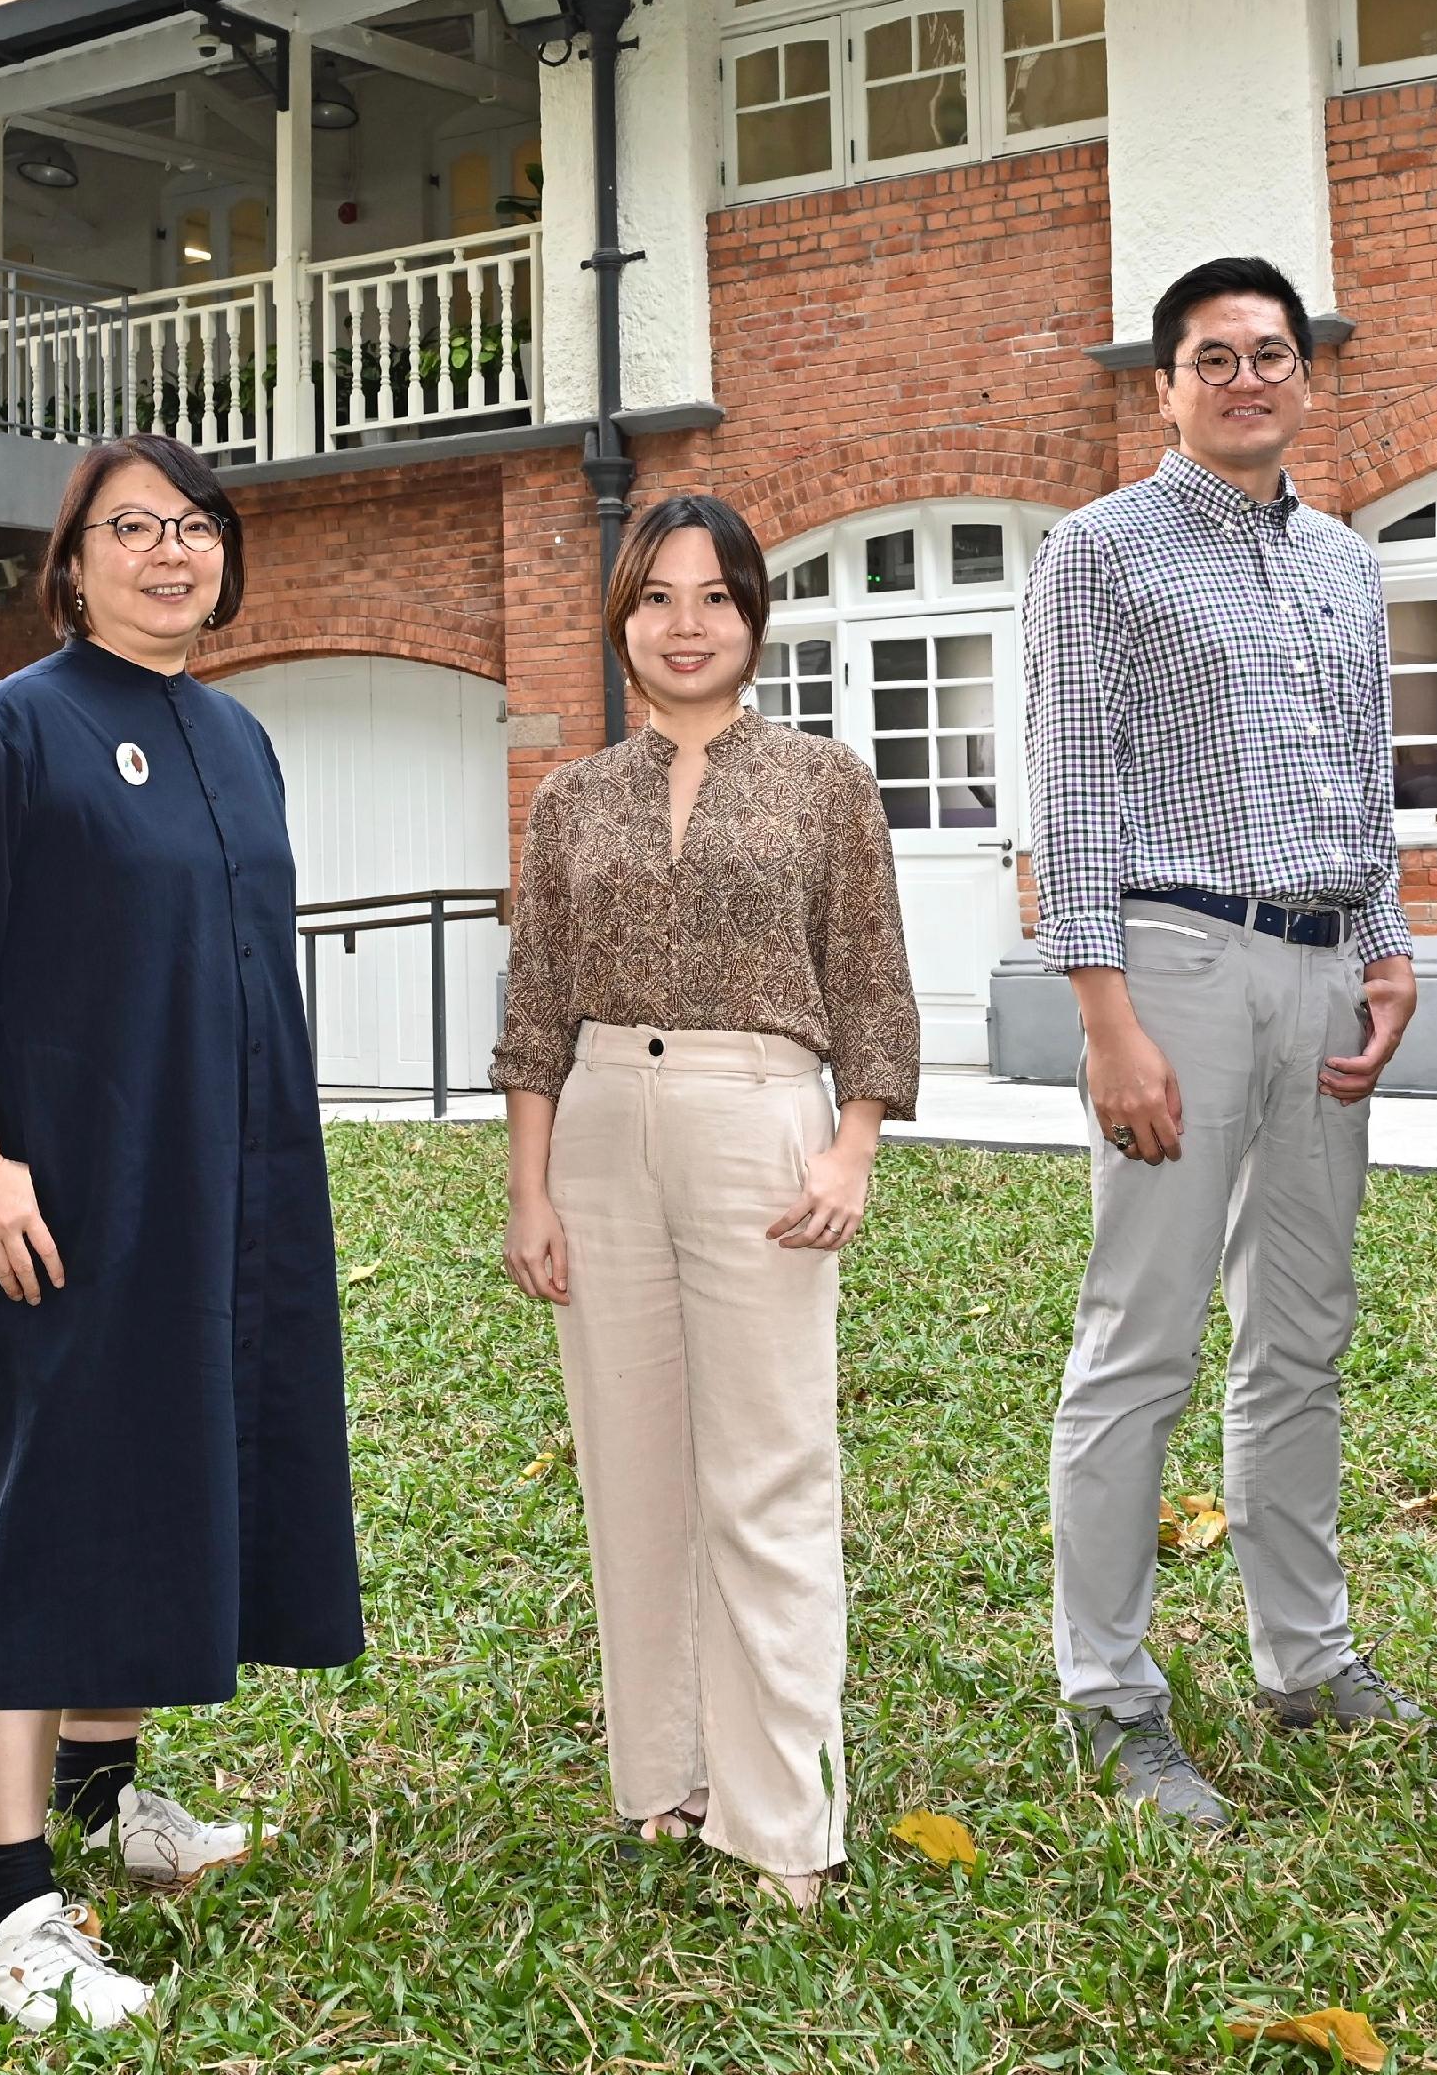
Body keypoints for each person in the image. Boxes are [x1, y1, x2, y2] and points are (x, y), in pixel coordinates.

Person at [0, 432, 365, 2031]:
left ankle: (104, 1793)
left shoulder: (231, 736)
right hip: (65, 1187)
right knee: (45, 1504)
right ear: (71, 562)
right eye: (132, 527)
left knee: (167, 1470)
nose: (171, 551)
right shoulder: (5, 736)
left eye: (196, 526)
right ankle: (7, 1905)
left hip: (223, 1182)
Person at [1023, 256, 1420, 1830]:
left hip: (1329, 970)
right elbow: (1070, 789)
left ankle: (1306, 1655)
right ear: (1167, 387)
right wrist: (1104, 1015)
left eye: (1273, 354)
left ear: (1306, 377)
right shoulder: (1098, 553)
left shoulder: (1342, 562)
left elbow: (1361, 771)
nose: (1248, 377)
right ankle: (1109, 1690)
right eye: (1215, 357)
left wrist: (1387, 942)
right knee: (1145, 1338)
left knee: (1303, 1333)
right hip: (1175, 961)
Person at [492, 492, 921, 1908]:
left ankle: (785, 1817)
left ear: (753, 618)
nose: (687, 625)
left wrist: (850, 1146)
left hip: (761, 1122)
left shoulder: (821, 781)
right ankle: (665, 1780)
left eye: (715, 598)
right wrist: (530, 1187)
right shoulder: (569, 798)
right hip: (604, 1126)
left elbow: (869, 981)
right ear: (622, 615)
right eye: (659, 597)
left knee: (771, 1473)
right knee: (634, 1473)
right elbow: (537, 1003)